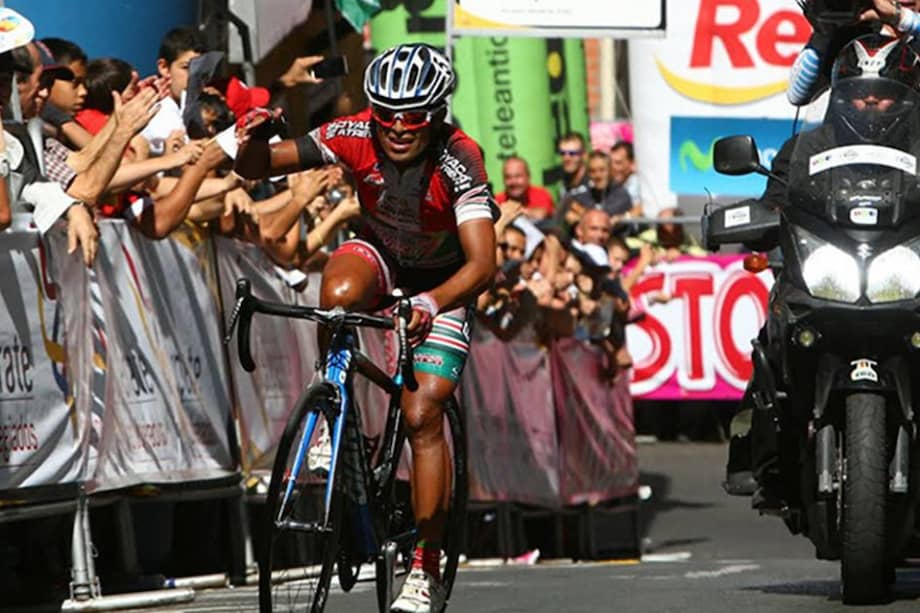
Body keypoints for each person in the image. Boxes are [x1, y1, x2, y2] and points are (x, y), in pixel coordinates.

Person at [235, 43, 497, 613]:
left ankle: (424, 567)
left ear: (438, 114)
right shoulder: (353, 132)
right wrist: (254, 137)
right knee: (337, 295)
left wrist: (432, 301)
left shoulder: (460, 158)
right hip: (382, 254)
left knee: (421, 412)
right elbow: (254, 168)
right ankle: (332, 414)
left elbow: (483, 264)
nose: (400, 128)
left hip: (447, 279)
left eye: (415, 116)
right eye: (388, 115)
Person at [724, 32, 920, 494]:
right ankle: (756, 448)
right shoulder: (806, 147)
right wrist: (756, 221)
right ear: (840, 94)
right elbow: (774, 201)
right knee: (770, 343)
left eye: (884, 93)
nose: (872, 103)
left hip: (903, 278)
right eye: (861, 92)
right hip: (825, 277)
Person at [788, 0, 919, 105]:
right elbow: (797, 96)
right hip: (847, 132)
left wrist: (899, 16)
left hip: (910, 134)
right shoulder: (853, 32)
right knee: (800, 139)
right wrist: (823, 35)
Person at [495, 156, 555, 221]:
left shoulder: (541, 194)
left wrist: (514, 211)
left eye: (518, 176)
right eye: (508, 177)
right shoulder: (498, 200)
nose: (513, 182)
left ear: (528, 176)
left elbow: (542, 214)